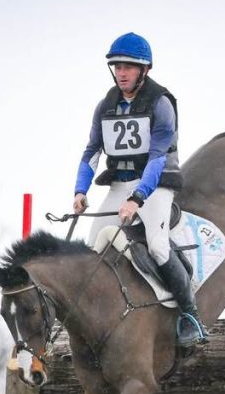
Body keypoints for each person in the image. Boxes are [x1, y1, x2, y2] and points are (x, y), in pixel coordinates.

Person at [72, 32, 207, 348]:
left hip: (155, 184)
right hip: (120, 183)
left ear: (144, 69)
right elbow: (92, 151)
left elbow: (158, 157)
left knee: (158, 246)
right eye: (117, 66)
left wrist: (138, 198)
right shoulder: (105, 106)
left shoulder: (161, 104)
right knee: (92, 249)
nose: (121, 72)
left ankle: (190, 316)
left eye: (128, 67)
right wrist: (80, 190)